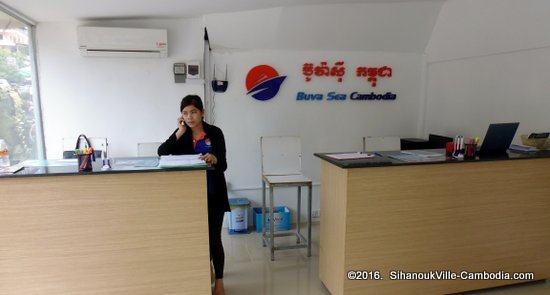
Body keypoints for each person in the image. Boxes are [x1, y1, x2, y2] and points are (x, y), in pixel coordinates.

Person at [158, 95, 229, 295]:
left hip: (214, 193)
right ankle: (205, 270)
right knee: (198, 237)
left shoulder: (214, 133)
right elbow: (161, 151)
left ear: (202, 112)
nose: (189, 117)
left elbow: (223, 164)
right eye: (185, 112)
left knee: (214, 238)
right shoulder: (182, 134)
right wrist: (179, 132)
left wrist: (214, 158)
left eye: (193, 112)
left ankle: (220, 281)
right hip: (189, 196)